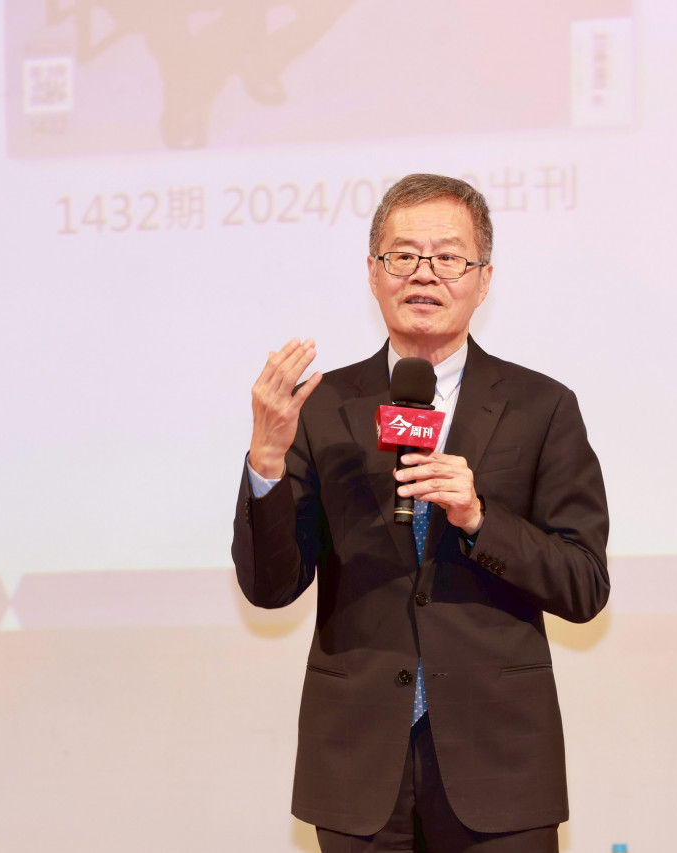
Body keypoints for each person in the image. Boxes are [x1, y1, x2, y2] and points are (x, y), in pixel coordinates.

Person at [232, 173, 610, 852]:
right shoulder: (320, 406)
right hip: (357, 762)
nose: (424, 273)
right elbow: (269, 587)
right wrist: (265, 462)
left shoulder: (542, 407)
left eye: (448, 257)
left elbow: (583, 585)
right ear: (373, 273)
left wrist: (479, 518)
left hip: (499, 761)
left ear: (483, 279)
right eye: (403, 255)